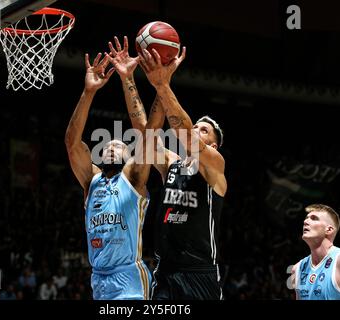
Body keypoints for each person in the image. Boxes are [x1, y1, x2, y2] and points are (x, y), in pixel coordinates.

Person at [64, 46, 153, 300]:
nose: (112, 147)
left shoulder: (133, 179)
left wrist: (127, 78)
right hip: (99, 278)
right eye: (108, 146)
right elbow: (72, 143)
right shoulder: (90, 181)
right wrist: (88, 91)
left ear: (129, 159)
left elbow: (146, 137)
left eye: (119, 146)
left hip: (130, 279)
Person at [139, 47, 227, 300]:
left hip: (199, 273)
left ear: (213, 145)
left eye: (204, 130)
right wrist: (150, 84)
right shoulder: (172, 163)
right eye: (196, 125)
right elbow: (147, 138)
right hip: (165, 270)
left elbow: (186, 136)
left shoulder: (215, 165)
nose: (197, 130)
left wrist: (164, 84)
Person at [291, 204, 340, 300]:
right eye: (306, 218)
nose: (305, 221)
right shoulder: (297, 269)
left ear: (329, 229)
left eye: (314, 218)